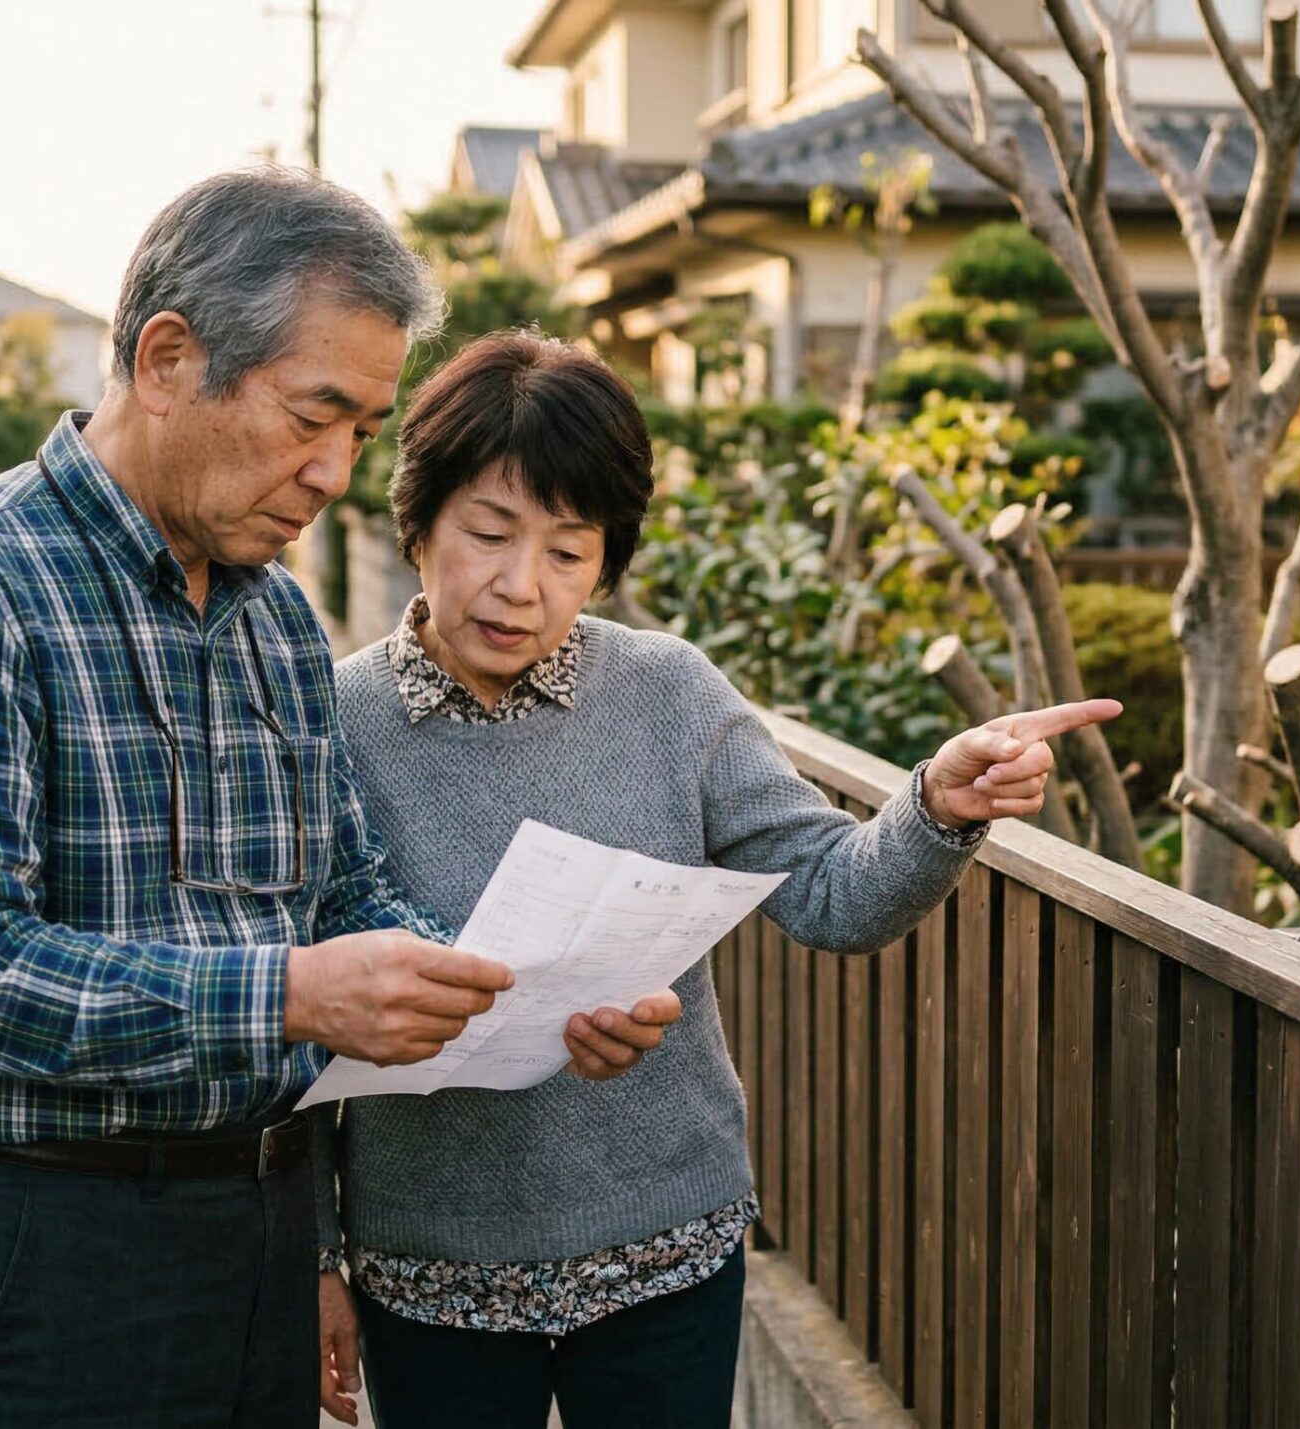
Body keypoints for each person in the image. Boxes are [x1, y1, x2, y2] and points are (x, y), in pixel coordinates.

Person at [0, 171, 678, 1428]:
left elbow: (345, 892)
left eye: (360, 431)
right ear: (168, 358)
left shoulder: (273, 615)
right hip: (44, 1240)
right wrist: (291, 991)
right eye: (310, 416)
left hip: (265, 1229)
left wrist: (534, 1002)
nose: (334, 472)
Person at [311, 330, 1119, 1428]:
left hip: (665, 1246)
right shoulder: (326, 723)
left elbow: (832, 893)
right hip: (428, 1264)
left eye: (567, 550)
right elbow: (296, 1006)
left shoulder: (668, 694)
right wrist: (317, 1250)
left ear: (607, 559)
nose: (519, 586)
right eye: (488, 533)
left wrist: (938, 802)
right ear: (418, 521)